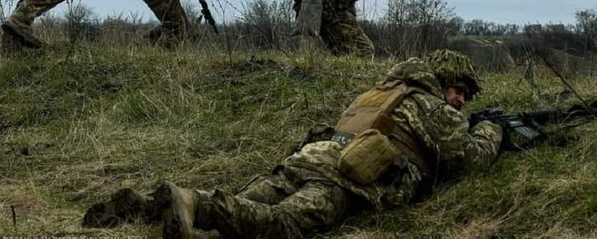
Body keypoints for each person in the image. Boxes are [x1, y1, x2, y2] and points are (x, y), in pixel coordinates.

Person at [82, 49, 503, 239]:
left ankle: (146, 206)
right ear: (443, 81)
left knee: (246, 206)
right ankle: (194, 202)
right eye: (459, 90)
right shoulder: (434, 108)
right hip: (342, 180)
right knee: (282, 225)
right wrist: (490, 130)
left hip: (307, 160)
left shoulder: (380, 93)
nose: (461, 101)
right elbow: (469, 162)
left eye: (466, 97)